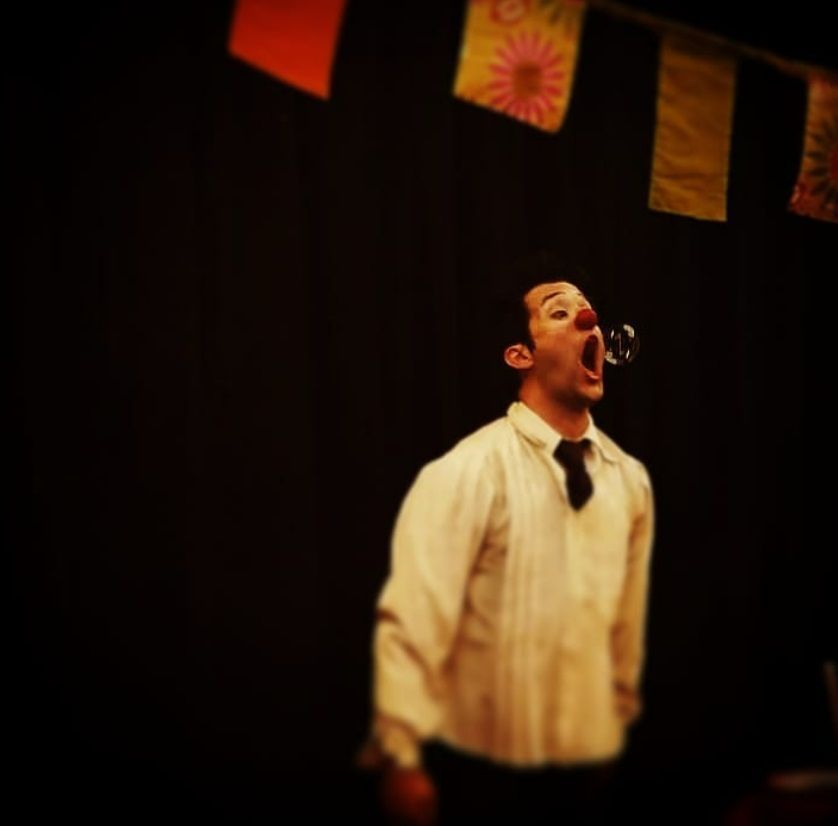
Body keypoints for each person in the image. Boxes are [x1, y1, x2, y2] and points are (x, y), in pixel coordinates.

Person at [358, 262, 655, 825]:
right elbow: (416, 615)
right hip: (486, 774)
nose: (589, 321)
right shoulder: (467, 471)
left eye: (587, 312)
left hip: (591, 765)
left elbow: (624, 616)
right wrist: (401, 756)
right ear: (521, 355)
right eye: (560, 313)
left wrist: (616, 714)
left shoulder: (628, 479)